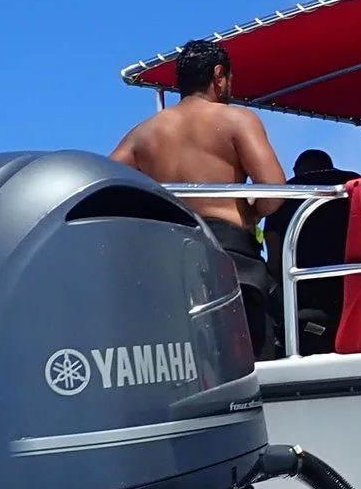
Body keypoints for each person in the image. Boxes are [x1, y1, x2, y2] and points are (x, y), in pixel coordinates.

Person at [113, 38, 289, 355]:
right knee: (252, 363)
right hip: (229, 256)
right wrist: (252, 212)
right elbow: (274, 191)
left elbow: (105, 182)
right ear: (218, 74)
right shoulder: (235, 119)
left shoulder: (143, 133)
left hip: (168, 261)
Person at [264, 149, 361, 354]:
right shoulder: (353, 182)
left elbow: (273, 247)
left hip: (306, 290)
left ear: (299, 170)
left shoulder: (286, 192)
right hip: (355, 283)